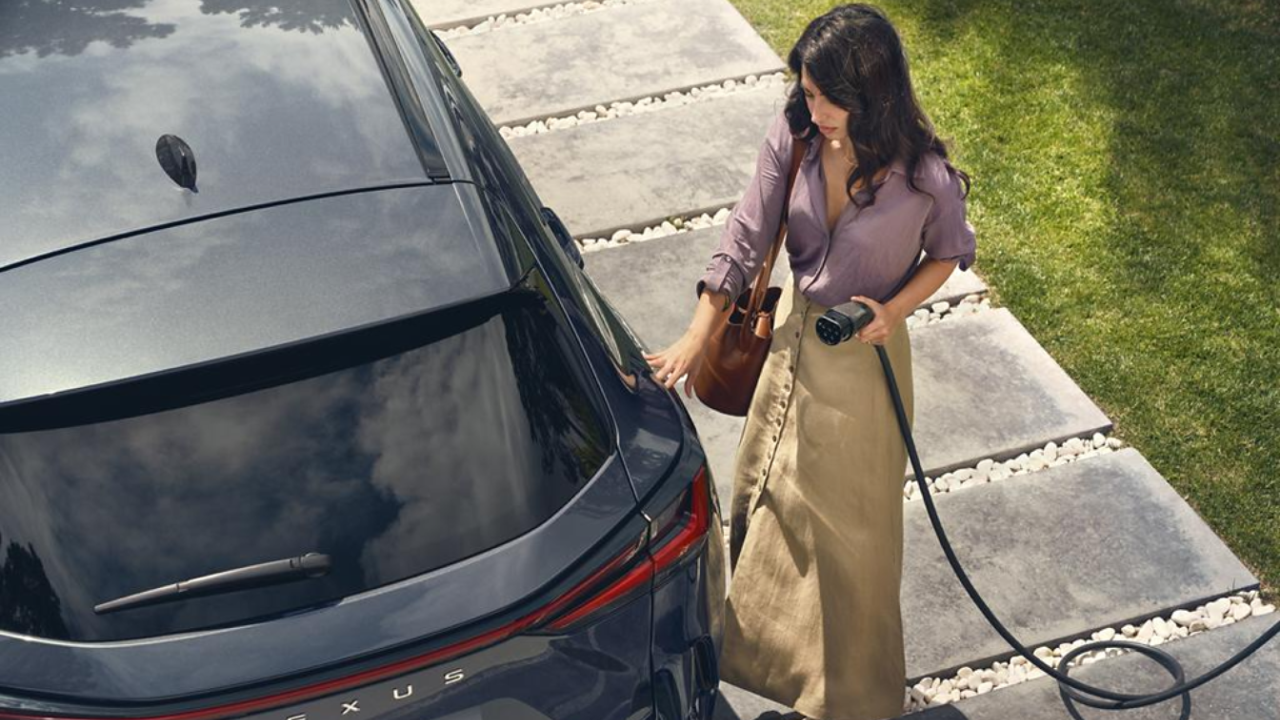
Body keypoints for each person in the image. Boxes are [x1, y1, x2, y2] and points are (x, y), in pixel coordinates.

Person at [643, 5, 977, 719]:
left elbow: (950, 251)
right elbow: (745, 233)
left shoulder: (926, 179)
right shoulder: (793, 136)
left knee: (848, 542)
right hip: (792, 349)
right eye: (808, 91)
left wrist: (894, 311)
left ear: (872, 96)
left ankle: (852, 701)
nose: (813, 107)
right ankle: (800, 686)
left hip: (863, 366)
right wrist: (696, 336)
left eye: (829, 98)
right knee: (774, 514)